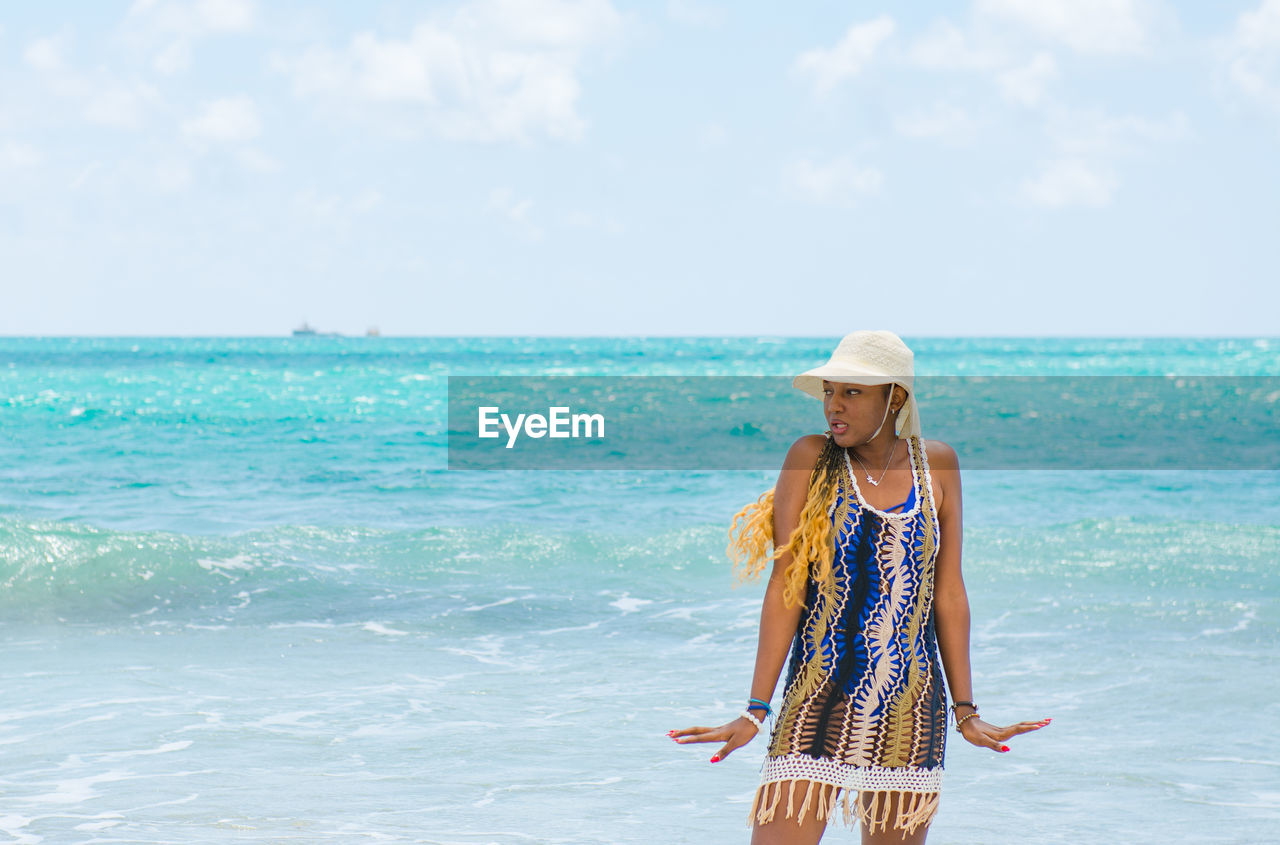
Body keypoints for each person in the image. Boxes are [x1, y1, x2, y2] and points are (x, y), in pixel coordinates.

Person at [670, 330, 1049, 845]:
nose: (834, 406)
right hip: (817, 698)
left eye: (852, 392)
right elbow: (787, 584)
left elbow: (949, 592)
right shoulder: (811, 457)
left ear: (894, 397)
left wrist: (967, 712)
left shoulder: (936, 463)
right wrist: (755, 709)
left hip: (910, 704)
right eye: (830, 391)